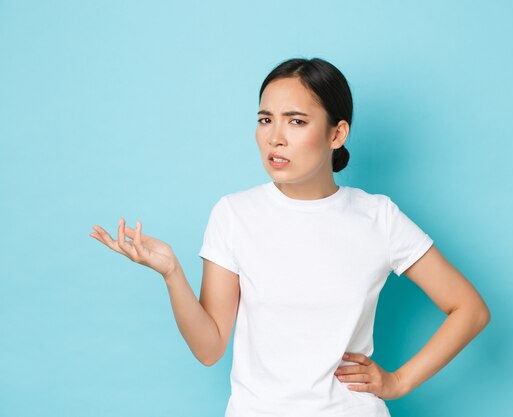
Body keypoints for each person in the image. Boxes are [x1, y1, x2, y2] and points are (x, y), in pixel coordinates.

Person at [89, 57, 491, 417]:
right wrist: (172, 274)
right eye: (266, 119)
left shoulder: (377, 217)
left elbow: (469, 309)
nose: (274, 137)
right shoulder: (234, 214)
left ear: (337, 134)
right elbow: (210, 348)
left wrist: (398, 382)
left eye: (296, 121)